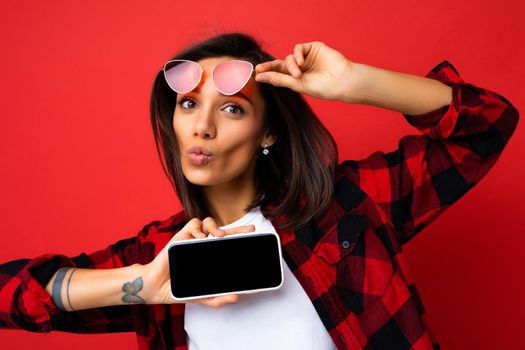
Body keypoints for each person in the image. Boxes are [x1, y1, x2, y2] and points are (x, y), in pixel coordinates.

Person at [0, 32, 519, 350]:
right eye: (187, 105)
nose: (202, 127)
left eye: (231, 108)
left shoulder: (347, 209)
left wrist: (354, 82)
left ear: (268, 132)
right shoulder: (162, 253)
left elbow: (488, 124)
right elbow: (9, 293)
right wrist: (141, 283)